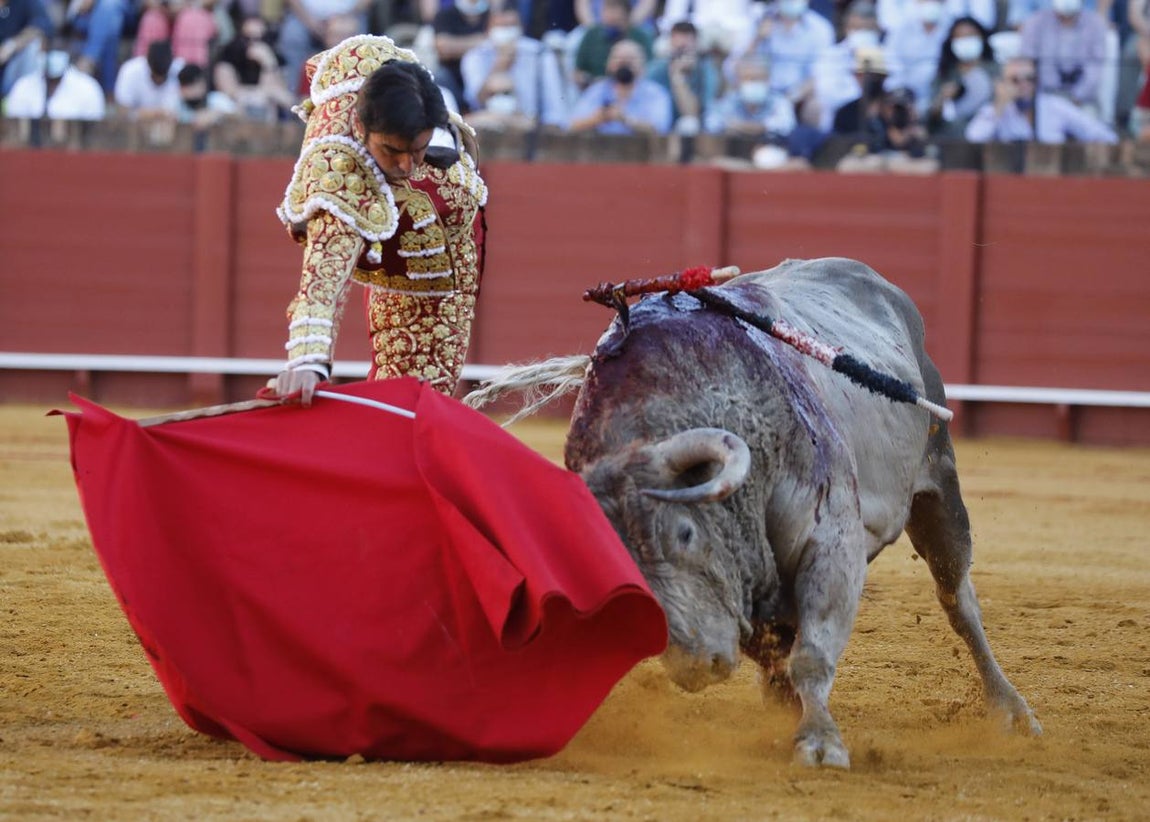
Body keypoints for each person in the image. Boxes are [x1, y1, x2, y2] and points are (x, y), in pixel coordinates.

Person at [272, 35, 488, 404]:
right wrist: (308, 359)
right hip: (404, 234)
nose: (406, 165)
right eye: (391, 150)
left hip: (442, 250)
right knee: (408, 406)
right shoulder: (341, 172)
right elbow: (325, 271)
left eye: (417, 150)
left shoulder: (373, 63)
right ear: (360, 128)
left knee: (414, 395)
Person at [459, 5, 568, 129]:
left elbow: (555, 110)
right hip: (488, 125)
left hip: (531, 126)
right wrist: (499, 65)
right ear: (489, 28)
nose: (506, 31)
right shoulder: (475, 56)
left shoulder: (540, 54)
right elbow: (474, 102)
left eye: (511, 25)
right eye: (501, 25)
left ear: (521, 27)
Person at [964, 54, 1119, 141]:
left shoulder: (1054, 106)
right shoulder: (995, 111)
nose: (1024, 85)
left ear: (1037, 81)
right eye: (1015, 80)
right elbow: (973, 138)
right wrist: (999, 106)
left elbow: (1102, 135)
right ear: (1003, 82)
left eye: (1029, 79)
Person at [1019, 0, 1110, 117]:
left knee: (1091, 119)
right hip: (1044, 99)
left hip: (1083, 102)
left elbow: (1094, 71)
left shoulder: (1095, 24)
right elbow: (1027, 64)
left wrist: (1076, 98)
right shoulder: (1036, 22)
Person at [566, 35, 671, 134]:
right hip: (600, 146)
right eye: (619, 59)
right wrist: (598, 119)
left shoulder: (655, 93)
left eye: (630, 60)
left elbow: (660, 129)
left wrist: (625, 120)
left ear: (642, 64)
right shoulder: (597, 90)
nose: (624, 64)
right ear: (609, 64)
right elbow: (571, 126)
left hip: (642, 147)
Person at [212, 13, 296, 121]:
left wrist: (267, 63)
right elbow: (230, 92)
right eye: (247, 38)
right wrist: (260, 93)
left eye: (259, 39)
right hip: (236, 111)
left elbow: (281, 94)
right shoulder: (228, 57)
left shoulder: (275, 58)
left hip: (266, 111)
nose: (253, 44)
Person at [644, 19, 721, 136]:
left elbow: (692, 114)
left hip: (693, 129)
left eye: (685, 48)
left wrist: (677, 76)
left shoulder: (706, 70)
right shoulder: (656, 69)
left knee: (689, 124)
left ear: (696, 44)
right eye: (678, 48)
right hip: (659, 123)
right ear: (670, 43)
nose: (681, 54)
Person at [926, 15, 997, 136]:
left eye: (970, 35)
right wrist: (942, 99)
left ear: (981, 37)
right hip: (951, 137)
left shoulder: (996, 71)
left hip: (990, 137)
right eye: (959, 37)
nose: (965, 41)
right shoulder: (944, 74)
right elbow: (930, 118)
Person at [884, 0, 951, 117]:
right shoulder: (902, 26)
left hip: (939, 97)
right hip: (906, 96)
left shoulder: (950, 26)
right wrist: (901, 96)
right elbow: (892, 62)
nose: (931, 2)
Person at [3, 46, 105, 121]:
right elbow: (14, 127)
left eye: (57, 50)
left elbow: (95, 131)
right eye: (47, 50)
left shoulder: (88, 88)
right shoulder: (23, 86)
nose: (51, 56)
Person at [573, 0, 653, 88]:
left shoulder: (641, 36)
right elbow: (577, 73)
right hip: (595, 89)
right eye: (609, 19)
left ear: (626, 17)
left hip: (635, 88)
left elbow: (651, 70)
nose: (612, 23)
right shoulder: (592, 35)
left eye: (617, 20)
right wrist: (590, 80)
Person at [432, 0, 490, 110]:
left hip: (484, 72)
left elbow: (498, 43)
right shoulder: (445, 14)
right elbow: (444, 48)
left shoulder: (491, 13)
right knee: (440, 77)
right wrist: (481, 42)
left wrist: (458, 45)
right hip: (454, 75)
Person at [113, 39, 185, 120]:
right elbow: (122, 112)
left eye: (163, 78)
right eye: (155, 76)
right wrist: (152, 114)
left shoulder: (181, 71)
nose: (159, 80)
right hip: (135, 124)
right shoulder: (130, 71)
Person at [0, 0, 53, 97]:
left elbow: (40, 26)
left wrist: (10, 46)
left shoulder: (26, 2)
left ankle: (22, 97)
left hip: (14, 64)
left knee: (33, 47)